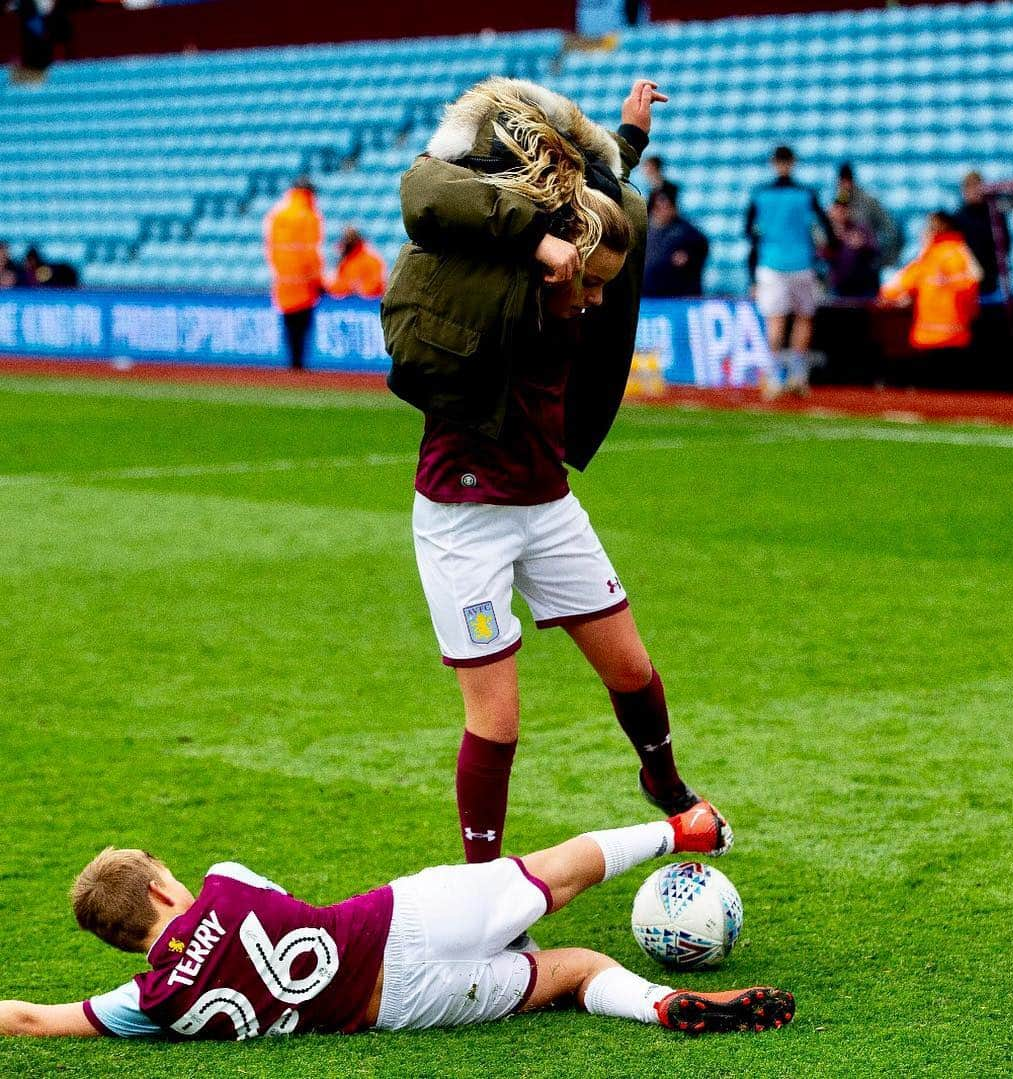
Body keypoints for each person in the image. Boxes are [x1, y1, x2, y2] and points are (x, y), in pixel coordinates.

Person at [382, 77, 731, 871]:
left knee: (633, 669)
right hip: (463, 515)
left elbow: (604, 199)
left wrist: (627, 139)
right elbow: (427, 189)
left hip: (547, 503)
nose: (601, 296)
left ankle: (669, 787)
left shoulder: (586, 265)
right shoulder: (481, 272)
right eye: (592, 279)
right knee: (496, 721)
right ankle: (482, 885)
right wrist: (533, 240)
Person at [0, 803, 794, 1041]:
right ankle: (681, 831)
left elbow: (36, 1017)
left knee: (575, 968)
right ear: (165, 889)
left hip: (400, 1008)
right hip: (397, 920)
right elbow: (273, 909)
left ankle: (657, 1003)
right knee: (546, 875)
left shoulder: (152, 1003)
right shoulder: (224, 881)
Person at [745, 146, 834, 398]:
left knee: (776, 321)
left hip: (771, 262)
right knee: (803, 318)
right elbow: (826, 232)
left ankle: (774, 378)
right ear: (792, 163)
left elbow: (750, 233)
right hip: (801, 262)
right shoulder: (806, 194)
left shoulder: (760, 195)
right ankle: (797, 376)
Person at [878, 210, 982, 384]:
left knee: (936, 395)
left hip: (941, 336)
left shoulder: (942, 253)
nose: (925, 231)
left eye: (930, 227)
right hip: (948, 336)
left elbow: (894, 287)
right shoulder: (954, 251)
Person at [264, 178, 325, 370]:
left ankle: (293, 364)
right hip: (304, 283)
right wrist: (317, 279)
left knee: (289, 328)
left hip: (283, 282)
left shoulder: (277, 214)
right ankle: (299, 366)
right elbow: (310, 252)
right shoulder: (308, 215)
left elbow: (271, 249)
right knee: (302, 328)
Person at [642, 182, 709, 298]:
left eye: (665, 206)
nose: (662, 211)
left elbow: (701, 248)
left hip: (677, 295)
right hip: (649, 294)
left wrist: (689, 257)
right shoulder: (646, 231)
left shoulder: (685, 231)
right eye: (658, 207)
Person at [835, 162, 901, 269]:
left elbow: (888, 228)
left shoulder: (868, 202)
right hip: (846, 263)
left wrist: (882, 256)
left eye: (846, 181)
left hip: (867, 260)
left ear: (851, 181)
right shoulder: (839, 200)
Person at [955, 170, 1010, 296]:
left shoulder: (995, 216)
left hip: (990, 281)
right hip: (966, 283)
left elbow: (1005, 245)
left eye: (977, 186)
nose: (974, 191)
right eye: (969, 186)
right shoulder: (958, 218)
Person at [824, 201, 880, 298]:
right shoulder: (826, 232)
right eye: (836, 208)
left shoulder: (860, 229)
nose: (840, 212)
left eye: (843, 209)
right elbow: (822, 255)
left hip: (863, 287)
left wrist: (862, 246)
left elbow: (875, 252)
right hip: (839, 288)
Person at [326, 226, 387, 299]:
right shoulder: (346, 260)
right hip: (346, 304)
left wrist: (352, 287)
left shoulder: (370, 259)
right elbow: (339, 284)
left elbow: (375, 286)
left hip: (368, 305)